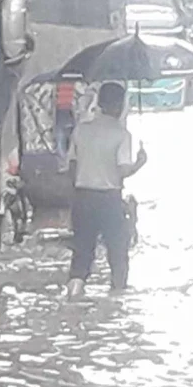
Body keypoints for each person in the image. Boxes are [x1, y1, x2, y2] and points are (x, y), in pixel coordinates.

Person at [66, 82, 148, 293]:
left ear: (100, 103)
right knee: (117, 254)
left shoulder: (81, 130)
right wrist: (140, 162)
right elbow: (122, 171)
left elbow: (71, 166)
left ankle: (73, 294)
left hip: (82, 198)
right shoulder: (121, 135)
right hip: (109, 200)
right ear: (120, 105)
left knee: (82, 253)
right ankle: (117, 297)